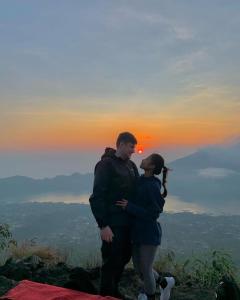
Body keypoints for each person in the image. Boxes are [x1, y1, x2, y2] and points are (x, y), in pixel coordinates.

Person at [116, 154, 175, 300]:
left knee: (146, 269)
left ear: (152, 166)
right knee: (139, 269)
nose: (143, 159)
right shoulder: (141, 180)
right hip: (136, 232)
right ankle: (164, 282)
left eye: (147, 159)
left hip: (148, 233)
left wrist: (130, 207)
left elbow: (154, 213)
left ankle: (150, 297)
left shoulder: (152, 186)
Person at [89, 132, 139, 298]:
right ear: (122, 144)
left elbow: (137, 191)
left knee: (124, 257)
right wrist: (103, 225)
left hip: (128, 222)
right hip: (112, 223)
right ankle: (105, 295)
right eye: (131, 147)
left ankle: (114, 291)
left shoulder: (131, 166)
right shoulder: (106, 165)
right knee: (111, 261)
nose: (133, 151)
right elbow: (97, 197)